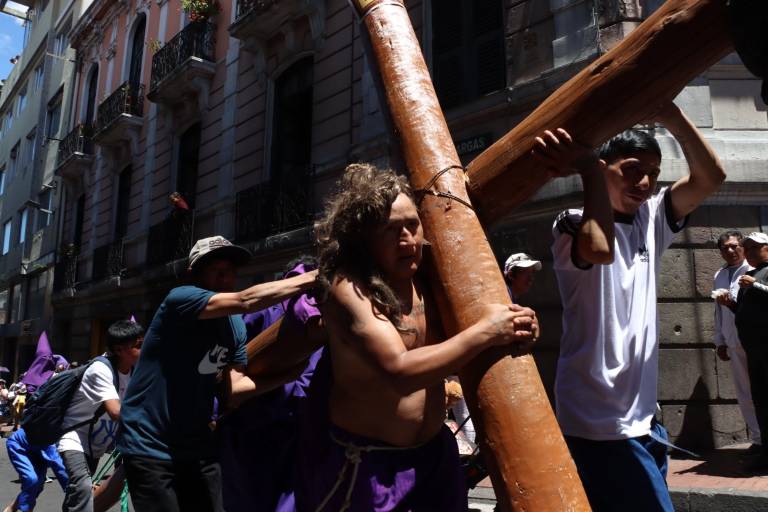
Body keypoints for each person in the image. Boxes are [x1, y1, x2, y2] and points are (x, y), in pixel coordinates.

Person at [296, 163, 539, 511]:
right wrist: (489, 331)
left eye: (412, 225)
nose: (408, 239)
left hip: (434, 459)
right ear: (362, 239)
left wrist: (521, 325)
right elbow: (399, 370)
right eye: (391, 230)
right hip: (371, 470)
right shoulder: (349, 289)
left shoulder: (431, 279)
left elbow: (486, 326)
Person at [541, 102, 725, 511]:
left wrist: (673, 117)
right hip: (598, 420)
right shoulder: (570, 222)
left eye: (653, 174)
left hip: (643, 419)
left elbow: (711, 177)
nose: (644, 182)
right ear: (604, 167)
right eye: (631, 169)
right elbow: (600, 250)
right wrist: (588, 167)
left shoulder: (652, 218)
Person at [117, 236, 317, 512]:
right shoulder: (180, 299)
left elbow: (233, 389)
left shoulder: (234, 324)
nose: (227, 279)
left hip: (197, 446)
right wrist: (317, 277)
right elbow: (247, 299)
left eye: (231, 272)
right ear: (194, 275)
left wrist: (287, 376)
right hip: (150, 445)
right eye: (218, 272)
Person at [58, 319, 143, 512]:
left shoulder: (134, 371)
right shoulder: (101, 369)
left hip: (96, 446)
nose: (143, 349)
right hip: (75, 439)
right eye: (138, 345)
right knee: (83, 488)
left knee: (77, 497)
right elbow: (115, 412)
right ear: (120, 349)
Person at [712, 230, 761, 449]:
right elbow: (717, 312)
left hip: (756, 341)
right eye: (725, 248)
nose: (731, 250)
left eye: (734, 246)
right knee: (744, 393)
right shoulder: (719, 275)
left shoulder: (753, 270)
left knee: (760, 390)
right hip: (733, 341)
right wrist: (720, 341)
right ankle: (759, 439)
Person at [725, 232, 768, 472]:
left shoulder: (759, 276)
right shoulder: (748, 276)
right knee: (760, 400)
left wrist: (758, 286)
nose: (750, 253)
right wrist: (731, 305)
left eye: (755, 248)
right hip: (753, 348)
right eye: (748, 249)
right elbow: (744, 311)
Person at [4, 427, 69, 512]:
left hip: (38, 451)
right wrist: (72, 488)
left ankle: (12, 508)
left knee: (37, 486)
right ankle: (24, 510)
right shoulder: (51, 438)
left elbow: (61, 469)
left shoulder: (54, 440)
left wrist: (73, 487)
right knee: (31, 479)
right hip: (19, 446)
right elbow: (58, 465)